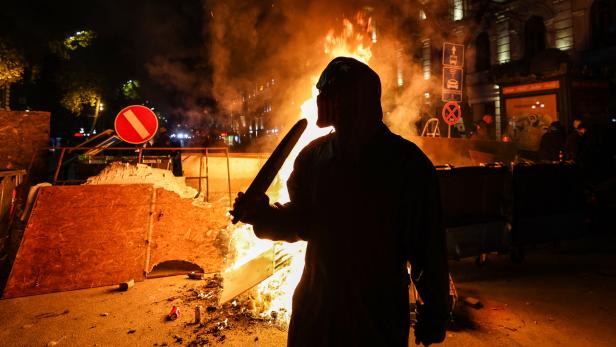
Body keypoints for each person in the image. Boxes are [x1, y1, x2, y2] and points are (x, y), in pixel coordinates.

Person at [232, 57, 449, 347]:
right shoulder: (313, 157)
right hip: (318, 308)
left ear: (355, 100)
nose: (319, 101)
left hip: (374, 314)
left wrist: (434, 311)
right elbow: (301, 222)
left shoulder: (407, 164)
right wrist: (261, 216)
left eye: (328, 94)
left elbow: (427, 248)